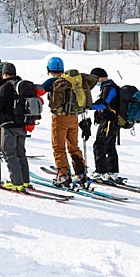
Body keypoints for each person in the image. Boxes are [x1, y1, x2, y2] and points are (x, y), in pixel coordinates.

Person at [43, 57, 97, 187]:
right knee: (73, 146)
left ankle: (63, 174)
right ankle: (81, 172)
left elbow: (39, 90)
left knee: (58, 146)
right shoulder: (72, 80)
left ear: (49, 69)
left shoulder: (53, 81)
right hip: (74, 117)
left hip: (60, 118)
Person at [0, 63, 30, 191]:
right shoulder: (22, 85)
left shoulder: (6, 86)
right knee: (21, 153)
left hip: (9, 125)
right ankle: (25, 181)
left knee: (10, 154)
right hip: (22, 124)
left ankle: (16, 183)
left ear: (5, 74)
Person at [88, 67, 121, 181]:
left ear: (99, 77)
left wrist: (88, 106)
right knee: (110, 145)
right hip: (113, 121)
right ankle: (112, 171)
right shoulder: (109, 86)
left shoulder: (109, 87)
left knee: (99, 145)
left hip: (108, 121)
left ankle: (101, 172)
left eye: (95, 79)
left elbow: (103, 104)